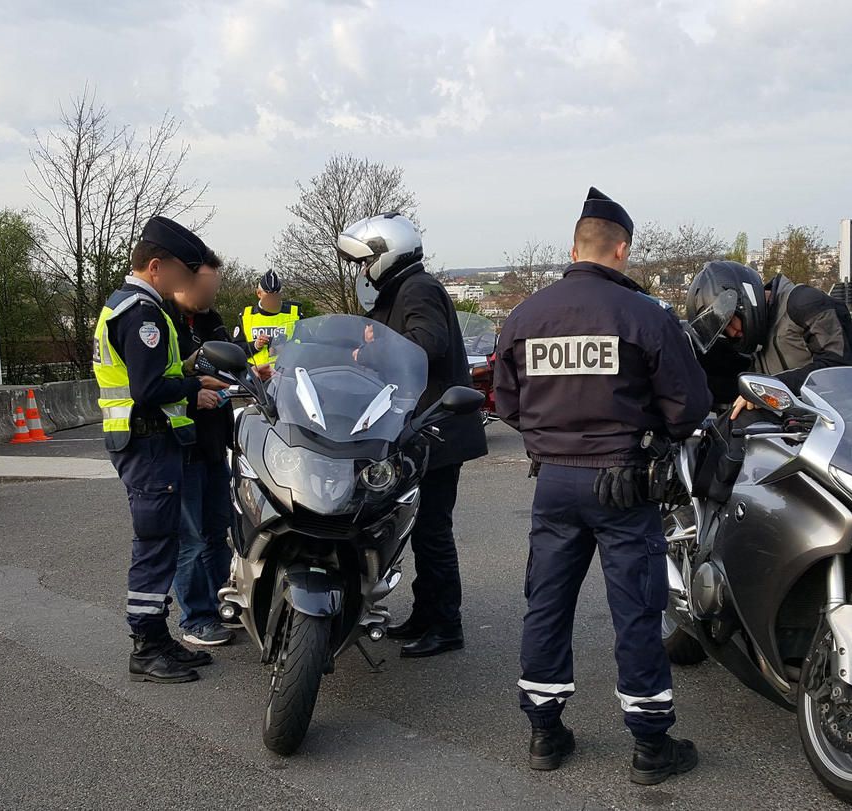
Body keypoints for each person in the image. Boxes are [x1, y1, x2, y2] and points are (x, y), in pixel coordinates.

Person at [493, 188, 711, 786]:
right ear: (622, 249)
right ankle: (649, 746)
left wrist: (552, 439)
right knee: (637, 613)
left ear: (573, 248)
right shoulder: (645, 316)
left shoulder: (525, 316)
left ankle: (544, 734)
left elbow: (506, 401)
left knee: (547, 605)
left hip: (554, 483)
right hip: (625, 482)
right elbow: (688, 407)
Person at [337, 212, 488, 658]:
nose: (363, 272)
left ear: (388, 255)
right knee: (418, 531)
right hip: (420, 433)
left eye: (366, 262)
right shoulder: (401, 289)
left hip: (436, 433)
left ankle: (446, 624)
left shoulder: (417, 288)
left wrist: (369, 348)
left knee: (433, 532)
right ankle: (426, 614)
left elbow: (427, 342)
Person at [92, 216, 229, 684]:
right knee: (154, 547)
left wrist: (192, 375)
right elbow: (149, 387)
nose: (188, 280)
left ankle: (158, 637)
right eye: (184, 271)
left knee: (164, 543)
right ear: (157, 266)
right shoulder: (143, 312)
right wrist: (194, 386)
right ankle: (147, 647)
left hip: (145, 441)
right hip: (148, 441)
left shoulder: (129, 305)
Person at [164, 256, 250, 648]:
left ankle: (224, 605)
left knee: (219, 532)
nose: (211, 295)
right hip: (182, 445)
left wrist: (248, 373)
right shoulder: (162, 320)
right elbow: (159, 379)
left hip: (216, 443)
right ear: (183, 281)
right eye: (205, 288)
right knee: (190, 539)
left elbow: (231, 359)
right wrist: (197, 379)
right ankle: (196, 618)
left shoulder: (211, 319)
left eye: (214, 288)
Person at [685, 261, 852, 414]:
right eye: (723, 331)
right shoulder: (758, 338)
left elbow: (838, 367)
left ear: (744, 302)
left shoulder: (803, 302)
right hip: (808, 429)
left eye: (729, 322)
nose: (732, 333)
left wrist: (768, 388)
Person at [236, 270, 301, 366]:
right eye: (268, 296)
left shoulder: (294, 314)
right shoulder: (246, 315)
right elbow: (236, 349)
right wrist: (255, 345)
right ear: (259, 293)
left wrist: (282, 347)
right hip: (255, 376)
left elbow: (305, 344)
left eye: (276, 296)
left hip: (286, 374)